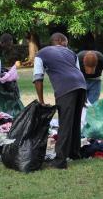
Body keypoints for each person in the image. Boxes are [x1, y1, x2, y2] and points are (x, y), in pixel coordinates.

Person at [33, 33, 87, 169]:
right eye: (66, 42)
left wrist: (41, 100)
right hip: (81, 85)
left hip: (65, 88)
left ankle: (60, 160)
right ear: (60, 41)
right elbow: (77, 70)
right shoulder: (71, 53)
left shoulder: (40, 53)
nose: (66, 45)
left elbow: (38, 77)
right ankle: (75, 153)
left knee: (65, 123)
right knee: (75, 121)